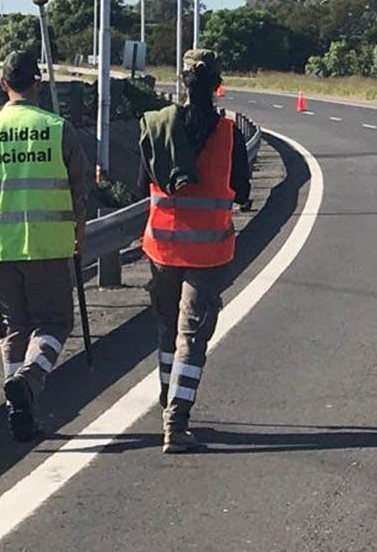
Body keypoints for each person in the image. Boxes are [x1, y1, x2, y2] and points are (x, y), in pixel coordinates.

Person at [0, 50, 91, 442]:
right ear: (38, 84)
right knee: (54, 323)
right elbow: (79, 191)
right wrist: (80, 233)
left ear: (3, 84)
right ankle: (28, 380)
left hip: (1, 249)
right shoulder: (57, 129)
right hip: (49, 248)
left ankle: (19, 411)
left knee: (12, 329)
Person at [138, 49, 251, 453]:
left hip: (161, 247)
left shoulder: (156, 127)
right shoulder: (229, 133)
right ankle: (176, 421)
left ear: (181, 82)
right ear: (218, 85)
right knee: (192, 336)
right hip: (208, 252)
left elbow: (140, 185)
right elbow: (242, 190)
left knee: (167, 329)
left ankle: (167, 399)